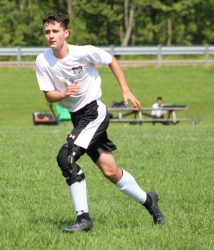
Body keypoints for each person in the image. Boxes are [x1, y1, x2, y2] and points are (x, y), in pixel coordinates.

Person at [35, 13, 164, 232]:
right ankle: (149, 200)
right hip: (78, 117)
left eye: (55, 31)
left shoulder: (83, 52)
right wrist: (64, 93)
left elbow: (111, 60)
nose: (51, 35)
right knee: (110, 171)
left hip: (94, 112)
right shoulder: (42, 60)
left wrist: (125, 89)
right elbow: (48, 95)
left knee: (65, 158)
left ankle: (83, 219)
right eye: (47, 31)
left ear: (66, 33)